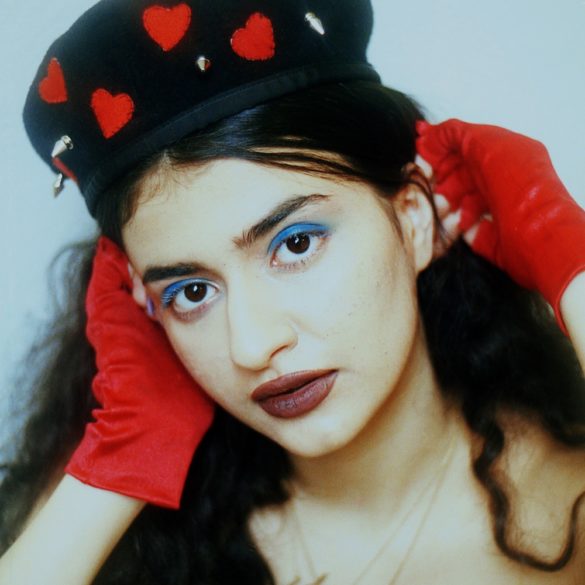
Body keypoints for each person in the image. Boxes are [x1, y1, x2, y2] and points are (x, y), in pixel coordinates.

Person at [1, 0, 585, 583]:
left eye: (297, 244)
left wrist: (570, 265)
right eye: (192, 292)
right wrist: (129, 450)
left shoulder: (571, 509)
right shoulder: (159, 558)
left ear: (413, 219)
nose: (252, 345)